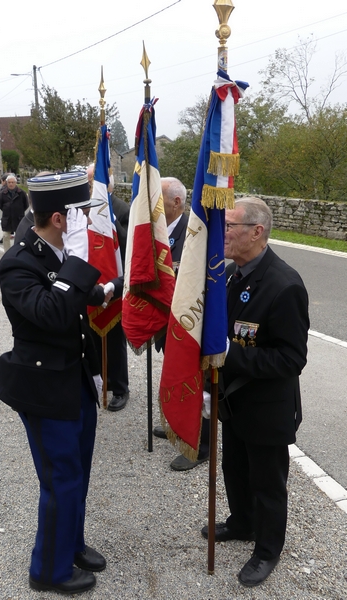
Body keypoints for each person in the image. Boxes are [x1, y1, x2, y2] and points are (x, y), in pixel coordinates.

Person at [0, 171, 112, 595]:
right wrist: (78, 260)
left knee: (79, 472)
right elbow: (53, 312)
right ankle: (48, 571)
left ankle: (70, 544)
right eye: (81, 214)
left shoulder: (56, 252)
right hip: (43, 387)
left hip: (75, 378)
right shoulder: (17, 263)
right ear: (60, 219)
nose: (86, 222)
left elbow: (76, 298)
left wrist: (105, 290)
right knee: (60, 478)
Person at [201, 197, 309, 588]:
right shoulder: (232, 274)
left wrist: (231, 355)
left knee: (267, 483)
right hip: (234, 400)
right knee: (235, 469)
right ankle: (242, 523)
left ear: (256, 232)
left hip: (266, 406)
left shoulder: (284, 285)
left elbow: (291, 359)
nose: (222, 234)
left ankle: (266, 549)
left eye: (229, 226)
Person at [153, 177, 210, 471]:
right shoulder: (158, 230)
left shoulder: (194, 232)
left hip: (191, 325)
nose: (153, 205)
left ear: (176, 202)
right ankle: (176, 423)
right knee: (174, 373)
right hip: (168, 323)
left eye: (159, 199)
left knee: (194, 380)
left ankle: (199, 444)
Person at [86, 164, 130, 412]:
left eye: (94, 180)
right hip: (91, 282)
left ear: (108, 183)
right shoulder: (84, 208)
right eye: (88, 181)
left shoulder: (122, 209)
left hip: (116, 280)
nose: (91, 185)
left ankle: (120, 388)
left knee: (114, 340)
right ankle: (100, 381)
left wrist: (111, 221)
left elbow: (129, 244)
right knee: (92, 338)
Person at [0, 174, 28, 252]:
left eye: (12, 182)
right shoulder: (3, 193)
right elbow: (0, 205)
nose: (11, 184)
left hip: (18, 218)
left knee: (19, 237)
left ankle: (18, 252)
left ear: (15, 183)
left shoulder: (22, 193)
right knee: (5, 236)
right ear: (7, 183)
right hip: (7, 219)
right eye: (9, 182)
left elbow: (26, 205)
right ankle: (7, 253)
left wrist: (18, 211)